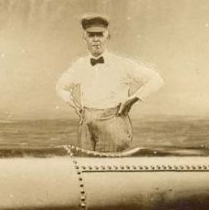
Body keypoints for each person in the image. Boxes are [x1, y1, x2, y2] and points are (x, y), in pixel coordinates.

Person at [56, 14, 163, 153]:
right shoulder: (79, 65)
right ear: (84, 38)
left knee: (111, 169)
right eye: (91, 35)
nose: (95, 40)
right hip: (86, 125)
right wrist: (75, 105)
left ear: (108, 36)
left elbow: (156, 79)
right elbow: (61, 87)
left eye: (100, 35)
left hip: (114, 124)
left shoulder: (122, 64)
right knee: (87, 167)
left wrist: (132, 100)